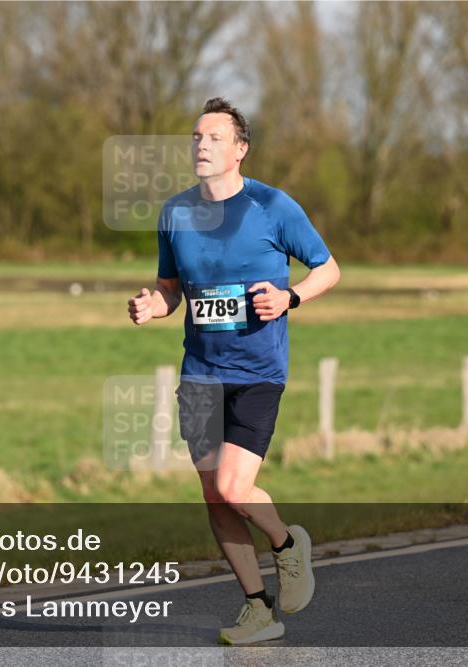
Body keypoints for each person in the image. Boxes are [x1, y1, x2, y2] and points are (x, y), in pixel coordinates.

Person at [127, 97, 341, 645]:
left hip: (257, 370)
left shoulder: (273, 207)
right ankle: (257, 608)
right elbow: (173, 289)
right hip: (200, 371)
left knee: (231, 485)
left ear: (240, 149)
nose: (201, 145)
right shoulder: (175, 213)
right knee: (212, 496)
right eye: (196, 137)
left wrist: (290, 297)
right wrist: (155, 304)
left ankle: (287, 545)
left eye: (214, 137)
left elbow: (328, 268)